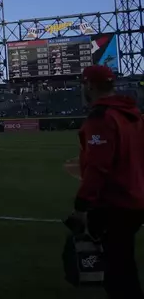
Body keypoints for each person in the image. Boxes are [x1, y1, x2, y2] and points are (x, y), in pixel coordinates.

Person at [67, 65, 144, 299]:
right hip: (134, 199)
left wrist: (81, 206)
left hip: (113, 204)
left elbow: (98, 167)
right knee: (124, 266)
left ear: (90, 85)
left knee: (117, 276)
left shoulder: (101, 116)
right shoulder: (132, 113)